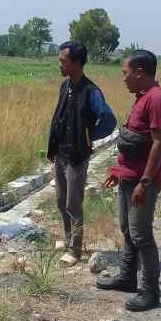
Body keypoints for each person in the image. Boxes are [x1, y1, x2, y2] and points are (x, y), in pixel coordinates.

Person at [97, 49, 161, 312]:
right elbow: (133, 139)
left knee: (141, 234)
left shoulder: (157, 100)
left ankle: (150, 291)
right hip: (129, 178)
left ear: (140, 72)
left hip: (143, 181)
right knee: (127, 230)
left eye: (125, 73)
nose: (124, 79)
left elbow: (159, 144)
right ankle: (127, 277)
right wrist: (118, 171)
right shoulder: (142, 97)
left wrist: (146, 182)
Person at [47, 41, 117, 264]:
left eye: (63, 61)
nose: (59, 64)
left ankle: (75, 249)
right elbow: (59, 118)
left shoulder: (91, 92)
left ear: (76, 63)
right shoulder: (64, 86)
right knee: (60, 201)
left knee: (73, 204)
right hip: (61, 154)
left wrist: (87, 137)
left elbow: (109, 121)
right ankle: (68, 238)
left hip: (77, 157)